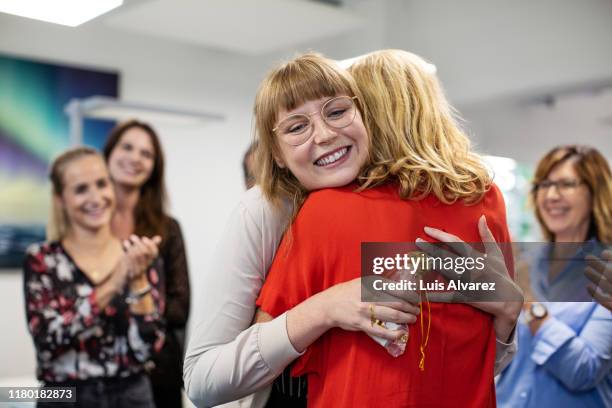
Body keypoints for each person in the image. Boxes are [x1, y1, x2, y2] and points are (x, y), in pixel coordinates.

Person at [183, 52, 518, 407]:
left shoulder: (332, 211)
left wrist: (509, 309)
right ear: (277, 153)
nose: (326, 135)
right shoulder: (268, 209)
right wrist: (324, 308)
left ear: (366, 116)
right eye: (297, 127)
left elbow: (462, 356)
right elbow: (204, 379)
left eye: (338, 111)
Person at [23, 147, 164, 408]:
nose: (96, 197)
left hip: (132, 396)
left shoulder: (137, 256)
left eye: (102, 184)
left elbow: (149, 349)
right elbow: (47, 338)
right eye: (80, 189)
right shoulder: (42, 260)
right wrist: (115, 281)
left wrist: (138, 278)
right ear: (60, 199)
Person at [496, 145, 612, 407]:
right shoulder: (525, 264)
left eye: (566, 184)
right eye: (543, 185)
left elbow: (584, 370)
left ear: (595, 193)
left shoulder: (605, 271)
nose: (550, 195)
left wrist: (530, 305)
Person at [104, 120, 191, 408]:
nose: (135, 158)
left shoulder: (166, 230)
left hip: (155, 374)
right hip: (96, 373)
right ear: (109, 153)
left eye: (146, 153)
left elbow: (179, 307)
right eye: (127, 147)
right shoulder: (86, 227)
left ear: (155, 166)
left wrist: (135, 294)